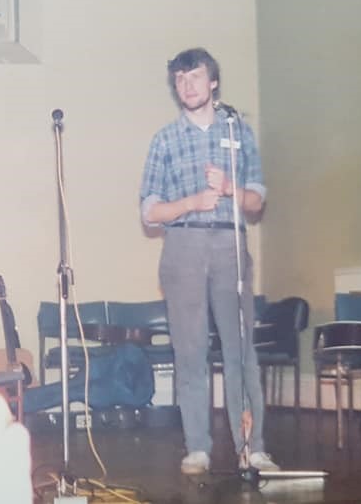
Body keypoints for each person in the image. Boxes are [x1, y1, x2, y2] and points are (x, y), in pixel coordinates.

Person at [139, 47, 278, 476]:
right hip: (183, 250)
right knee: (191, 351)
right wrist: (191, 203)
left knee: (240, 352)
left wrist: (231, 187)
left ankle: (252, 447)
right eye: (180, 80)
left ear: (213, 82)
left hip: (230, 248)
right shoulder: (164, 139)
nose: (187, 86)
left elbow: (256, 202)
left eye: (195, 77)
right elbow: (149, 211)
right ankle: (197, 446)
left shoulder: (240, 132)